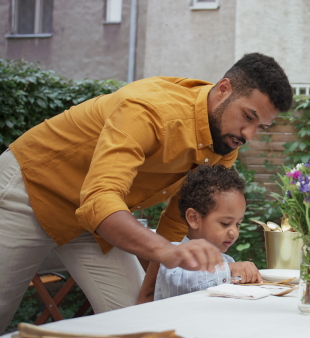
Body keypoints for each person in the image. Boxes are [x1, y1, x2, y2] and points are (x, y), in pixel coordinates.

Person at [0, 52, 292, 330]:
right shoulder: (149, 110)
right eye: (248, 117)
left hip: (94, 220)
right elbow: (101, 197)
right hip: (29, 188)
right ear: (224, 89)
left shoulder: (224, 142)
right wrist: (165, 251)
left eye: (261, 127)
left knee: (137, 316)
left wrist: (149, 293)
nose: (249, 135)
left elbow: (174, 223)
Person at [137, 165, 262, 303]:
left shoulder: (227, 261)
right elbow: (182, 283)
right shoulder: (175, 256)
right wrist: (229, 270)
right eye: (225, 223)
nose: (234, 232)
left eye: (238, 224)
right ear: (194, 218)